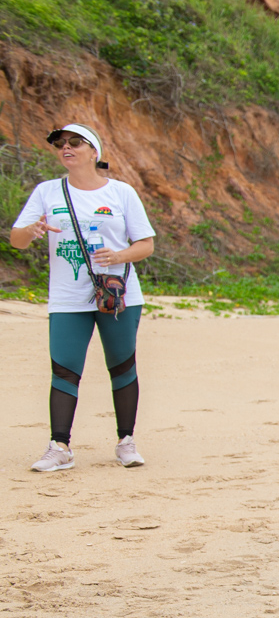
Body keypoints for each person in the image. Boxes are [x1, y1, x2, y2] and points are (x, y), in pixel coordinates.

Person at [12, 124, 155, 471]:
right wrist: (31, 230)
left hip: (116, 294)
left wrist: (118, 255)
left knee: (122, 365)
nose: (66, 147)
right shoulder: (47, 191)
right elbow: (17, 239)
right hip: (67, 297)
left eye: (75, 142)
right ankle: (59, 447)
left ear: (94, 152)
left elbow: (145, 245)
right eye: (60, 144)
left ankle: (126, 442)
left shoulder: (121, 192)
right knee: (64, 369)